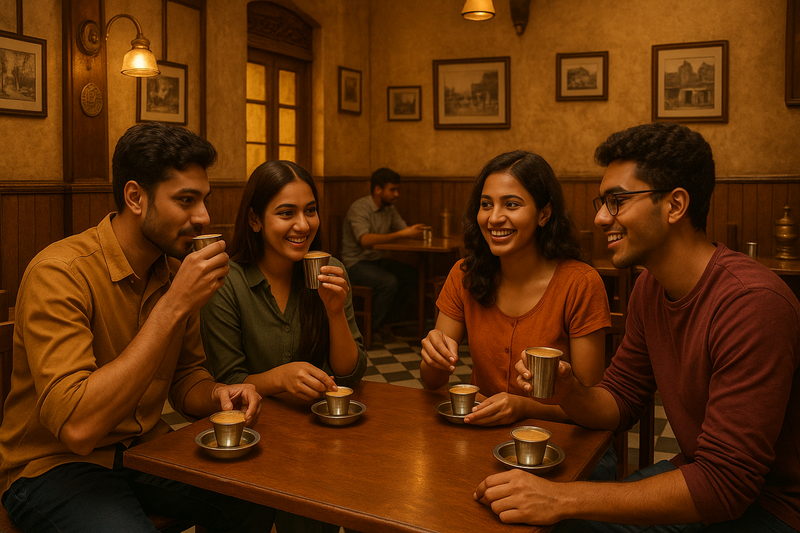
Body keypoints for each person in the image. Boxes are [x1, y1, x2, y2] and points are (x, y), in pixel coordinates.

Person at [476, 123, 800, 532]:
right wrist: (570, 392)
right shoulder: (650, 287)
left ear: (675, 205)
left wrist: (560, 498)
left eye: (617, 201)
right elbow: (621, 400)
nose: (599, 217)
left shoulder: (752, 303)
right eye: (602, 202)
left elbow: (726, 487)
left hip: (771, 507)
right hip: (703, 475)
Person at [0, 122, 272, 532]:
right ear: (135, 197)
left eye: (204, 200)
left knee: (254, 496)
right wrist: (174, 305)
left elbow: (186, 378)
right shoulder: (59, 273)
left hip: (140, 450)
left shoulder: (173, 272)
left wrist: (218, 393)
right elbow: (78, 428)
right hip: (52, 465)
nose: (203, 216)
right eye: (186, 200)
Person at [200, 160, 367, 532]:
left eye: (311, 211)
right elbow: (227, 383)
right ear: (255, 220)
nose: (303, 225)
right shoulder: (228, 282)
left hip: (316, 441)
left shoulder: (330, 269)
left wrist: (335, 312)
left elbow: (350, 374)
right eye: (286, 213)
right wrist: (279, 378)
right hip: (248, 440)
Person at [420, 150, 611, 427]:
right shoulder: (465, 275)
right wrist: (433, 359)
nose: (494, 218)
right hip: (482, 430)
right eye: (486, 204)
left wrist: (524, 407)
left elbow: (591, 404)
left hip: (560, 437)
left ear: (544, 214)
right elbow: (431, 382)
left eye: (511, 205)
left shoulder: (580, 283)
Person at [340, 167, 425, 342]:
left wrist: (414, 232)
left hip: (377, 260)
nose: (397, 194)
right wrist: (403, 234)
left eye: (397, 190)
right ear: (378, 189)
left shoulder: (389, 209)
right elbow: (364, 240)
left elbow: (404, 230)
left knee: (411, 276)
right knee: (388, 282)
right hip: (355, 263)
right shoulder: (360, 208)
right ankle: (372, 329)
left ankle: (389, 323)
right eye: (392, 190)